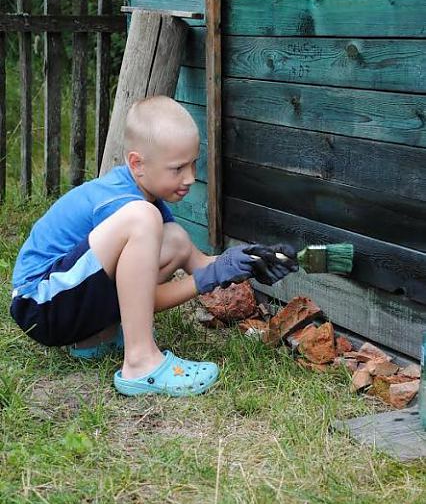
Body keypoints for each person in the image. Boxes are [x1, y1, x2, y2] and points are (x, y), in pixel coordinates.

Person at [10, 96, 298, 397]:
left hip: (64, 300)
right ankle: (140, 362)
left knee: (175, 238)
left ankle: (94, 339)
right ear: (137, 163)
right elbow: (145, 296)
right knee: (145, 219)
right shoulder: (127, 206)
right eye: (177, 169)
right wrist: (204, 280)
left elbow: (199, 263)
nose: (190, 178)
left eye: (193, 164)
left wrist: (251, 259)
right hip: (40, 306)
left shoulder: (144, 198)